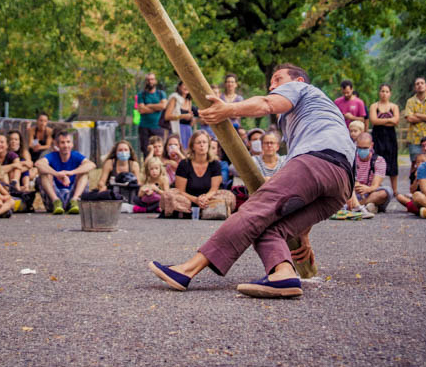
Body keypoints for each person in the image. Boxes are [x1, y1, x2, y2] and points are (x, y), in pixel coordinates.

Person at [149, 62, 355, 299]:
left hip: (318, 160)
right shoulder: (313, 115)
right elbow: (310, 188)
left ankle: (186, 270)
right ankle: (283, 274)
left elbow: (266, 103)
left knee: (254, 211)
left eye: (278, 79)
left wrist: (227, 109)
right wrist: (303, 235)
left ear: (298, 81)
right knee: (270, 228)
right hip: (341, 185)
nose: (272, 86)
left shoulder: (302, 89)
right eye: (271, 82)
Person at [170, 130, 234, 220]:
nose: (202, 145)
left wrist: (204, 198)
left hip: (208, 198)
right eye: (198, 142)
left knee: (228, 195)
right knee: (170, 195)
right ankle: (191, 212)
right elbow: (181, 190)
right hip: (188, 198)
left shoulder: (215, 163)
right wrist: (196, 200)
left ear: (208, 145)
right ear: (193, 146)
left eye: (204, 142)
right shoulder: (184, 163)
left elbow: (214, 189)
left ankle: (200, 211)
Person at [35, 130, 95, 215]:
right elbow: (38, 164)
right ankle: (56, 201)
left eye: (68, 142)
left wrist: (71, 172)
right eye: (62, 142)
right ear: (57, 145)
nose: (66, 145)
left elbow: (91, 165)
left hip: (72, 195)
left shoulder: (75, 155)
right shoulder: (52, 155)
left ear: (72, 144)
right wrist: (57, 174)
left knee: (84, 173)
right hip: (54, 197)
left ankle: (75, 201)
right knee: (44, 173)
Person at [369, 83, 399, 196]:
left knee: (392, 161)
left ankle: (395, 190)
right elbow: (374, 121)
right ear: (379, 92)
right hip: (377, 136)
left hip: (390, 136)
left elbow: (396, 121)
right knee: (376, 160)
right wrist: (389, 120)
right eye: (382, 91)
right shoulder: (374, 106)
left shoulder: (394, 107)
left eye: (387, 91)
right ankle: (375, 186)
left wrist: (381, 121)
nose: (384, 94)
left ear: (390, 93)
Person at [351, 132, 391, 215]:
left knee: (386, 191)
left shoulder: (379, 160)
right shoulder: (352, 159)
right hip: (355, 193)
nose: (362, 150)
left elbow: (375, 185)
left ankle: (357, 206)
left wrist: (367, 189)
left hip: (371, 193)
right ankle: (368, 207)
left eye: (365, 148)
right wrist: (356, 186)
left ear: (371, 145)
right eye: (359, 148)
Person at [403, 77, 426, 164]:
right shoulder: (410, 102)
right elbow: (409, 118)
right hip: (414, 138)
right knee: (415, 164)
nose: (420, 85)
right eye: (417, 84)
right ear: (415, 88)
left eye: (422, 83)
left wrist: (417, 115)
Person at [136, 73, 167, 157]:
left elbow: (163, 106)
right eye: (148, 80)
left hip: (158, 127)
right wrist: (157, 108)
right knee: (146, 151)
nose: (150, 81)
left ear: (155, 81)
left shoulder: (161, 94)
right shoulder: (141, 95)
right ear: (145, 81)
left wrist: (148, 105)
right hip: (144, 127)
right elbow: (141, 110)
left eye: (152, 79)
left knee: (159, 151)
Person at [164, 80, 194, 150]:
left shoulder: (189, 100)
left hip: (188, 130)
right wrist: (182, 116)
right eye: (184, 85)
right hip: (177, 129)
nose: (186, 87)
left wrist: (190, 117)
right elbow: (167, 116)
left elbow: (190, 119)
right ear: (179, 87)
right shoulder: (174, 98)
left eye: (188, 85)